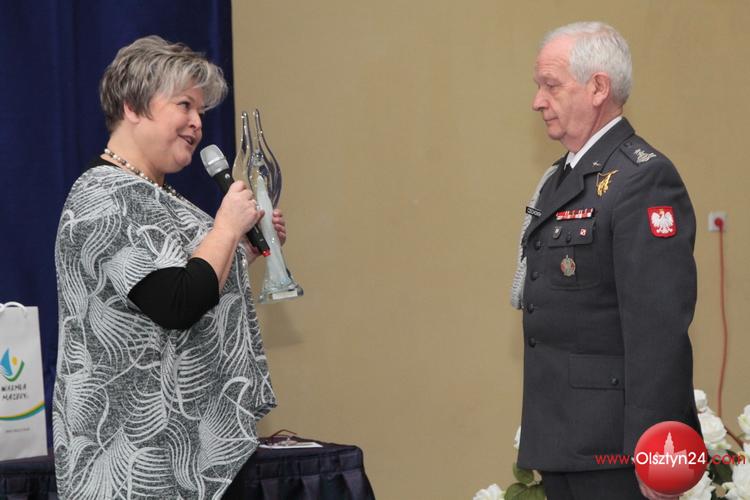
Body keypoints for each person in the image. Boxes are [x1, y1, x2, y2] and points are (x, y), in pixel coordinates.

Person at [53, 36, 285, 499]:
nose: (197, 122)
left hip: (168, 458)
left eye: (201, 110)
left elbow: (183, 282)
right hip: (130, 464)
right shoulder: (106, 195)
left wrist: (241, 247)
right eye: (184, 105)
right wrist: (225, 228)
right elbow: (177, 304)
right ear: (133, 106)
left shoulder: (150, 193)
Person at [511, 22, 699, 500]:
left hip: (616, 448)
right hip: (563, 438)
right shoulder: (562, 177)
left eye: (551, 85)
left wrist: (655, 451)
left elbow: (658, 327)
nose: (537, 101)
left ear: (598, 88)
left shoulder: (643, 178)